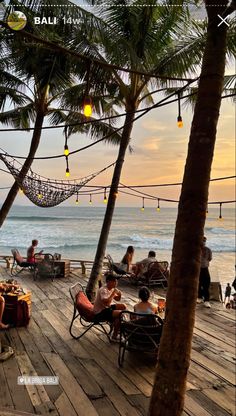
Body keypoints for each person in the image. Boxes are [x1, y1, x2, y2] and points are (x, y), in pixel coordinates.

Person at [93, 274, 126, 341]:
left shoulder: (111, 289)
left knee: (123, 306)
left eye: (116, 281)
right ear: (108, 281)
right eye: (114, 281)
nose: (116, 283)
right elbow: (106, 302)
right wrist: (113, 293)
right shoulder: (103, 290)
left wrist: (119, 294)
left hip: (107, 308)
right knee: (120, 314)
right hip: (100, 312)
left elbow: (117, 299)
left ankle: (117, 327)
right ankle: (114, 335)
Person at [197, 236, 212, 308]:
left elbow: (209, 259)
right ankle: (199, 297)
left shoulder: (208, 250)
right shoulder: (196, 250)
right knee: (198, 284)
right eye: (202, 241)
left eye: (204, 241)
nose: (203, 242)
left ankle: (207, 300)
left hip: (205, 268)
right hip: (197, 269)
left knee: (206, 284)